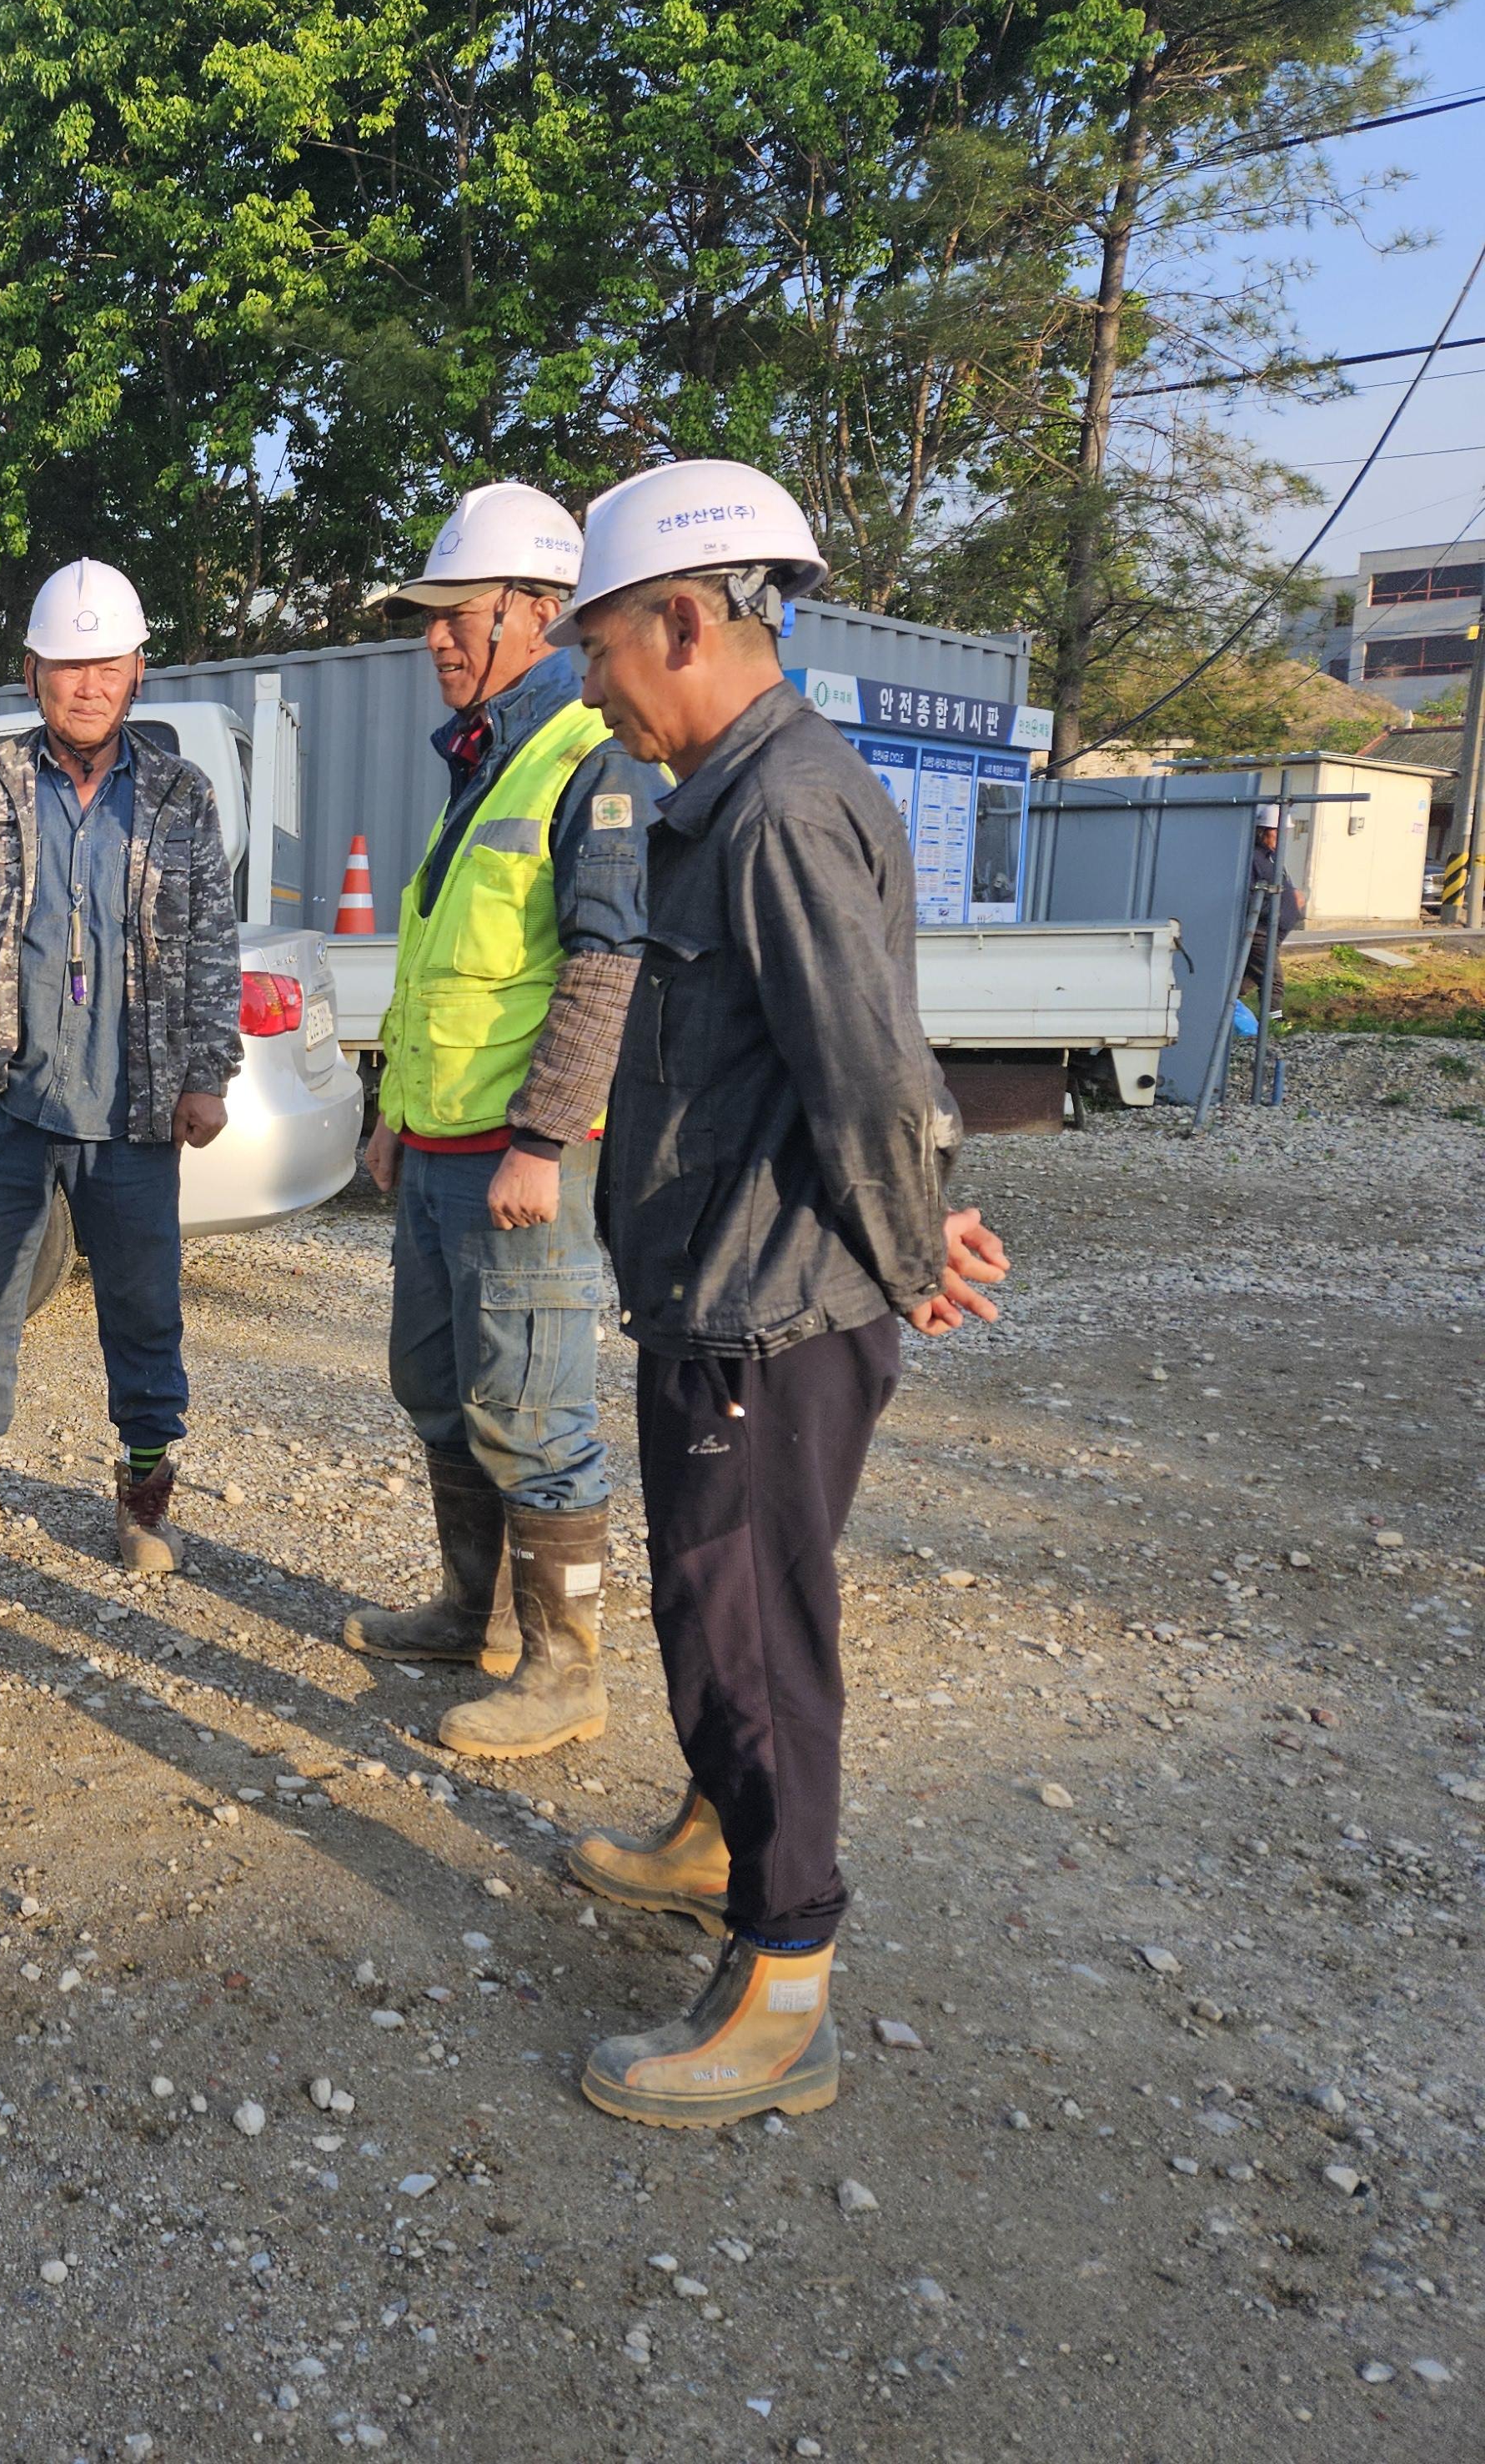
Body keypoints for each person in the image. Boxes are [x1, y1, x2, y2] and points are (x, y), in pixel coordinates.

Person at [549, 459, 1010, 2127]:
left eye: (599, 645)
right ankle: (715, 1835)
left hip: (765, 1312)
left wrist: (908, 1248)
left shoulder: (779, 808)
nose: (590, 685)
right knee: (713, 1611)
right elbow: (851, 1054)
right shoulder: (732, 798)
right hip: (721, 1291)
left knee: (749, 1634)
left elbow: (869, 1080)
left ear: (683, 621)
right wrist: (915, 1230)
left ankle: (783, 1980)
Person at [341, 483, 666, 1760]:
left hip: (519, 1166)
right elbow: (439, 966)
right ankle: (469, 1614)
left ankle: (563, 1671)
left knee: (534, 1408)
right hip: (437, 1152)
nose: (435, 636)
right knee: (435, 1385)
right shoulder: (481, 765)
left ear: (540, 610)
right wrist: (391, 1114)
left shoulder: (589, 758)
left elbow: (605, 966)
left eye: (456, 611)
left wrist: (542, 1140)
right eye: (427, 616)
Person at [0, 558, 242, 1572]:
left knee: (143, 1306)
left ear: (137, 672)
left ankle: (144, 1495)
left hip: (135, 1103)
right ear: (32, 672)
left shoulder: (178, 795)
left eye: (106, 667)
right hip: (7, 1095)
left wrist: (207, 1071)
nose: (87, 687)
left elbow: (210, 940)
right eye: (67, 667)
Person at [1247, 802, 1307, 981]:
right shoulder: (1254, 858)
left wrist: (1293, 898)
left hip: (1275, 934)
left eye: (1285, 831)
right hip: (1261, 933)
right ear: (1263, 831)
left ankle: (1221, 1002)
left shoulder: (1273, 857)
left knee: (1246, 982)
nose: (1283, 836)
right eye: (1277, 831)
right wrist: (1277, 911)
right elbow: (1248, 897)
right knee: (1273, 984)